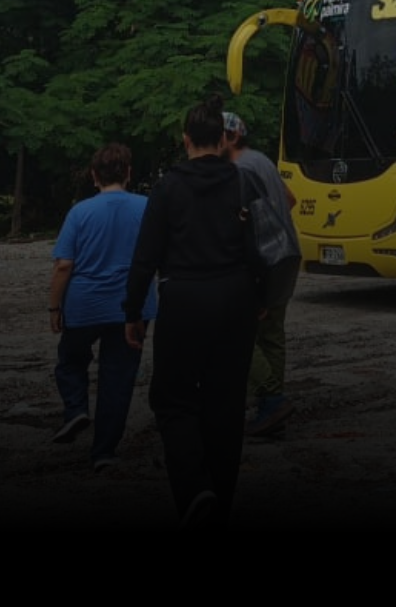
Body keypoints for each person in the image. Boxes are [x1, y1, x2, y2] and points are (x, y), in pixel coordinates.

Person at [124, 95, 259, 527]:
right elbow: (257, 248)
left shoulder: (168, 187)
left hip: (184, 298)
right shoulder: (242, 182)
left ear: (185, 140)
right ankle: (220, 496)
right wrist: (259, 301)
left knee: (173, 398)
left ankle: (195, 488)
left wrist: (133, 312)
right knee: (227, 402)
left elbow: (145, 257)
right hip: (235, 297)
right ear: (222, 139)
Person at [49, 142, 156, 472]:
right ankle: (104, 452)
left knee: (70, 360)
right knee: (118, 378)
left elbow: (64, 265)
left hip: (85, 304)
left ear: (94, 175)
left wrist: (54, 307)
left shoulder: (80, 212)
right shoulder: (147, 207)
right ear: (128, 173)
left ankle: (76, 408)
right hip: (132, 306)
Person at [222, 111, 301, 437]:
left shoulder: (239, 169)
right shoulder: (262, 160)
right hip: (287, 254)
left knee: (238, 333)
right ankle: (272, 412)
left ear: (232, 137)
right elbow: (290, 199)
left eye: (217, 136)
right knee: (272, 335)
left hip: (264, 259)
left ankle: (272, 395)